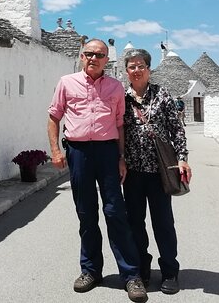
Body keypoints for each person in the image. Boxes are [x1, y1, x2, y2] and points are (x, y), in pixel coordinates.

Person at [48, 39, 148, 303]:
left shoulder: (115, 87)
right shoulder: (66, 83)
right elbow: (54, 116)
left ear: (107, 59)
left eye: (99, 55)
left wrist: (122, 157)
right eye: (89, 54)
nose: (94, 58)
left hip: (107, 152)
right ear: (82, 56)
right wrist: (56, 151)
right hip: (78, 152)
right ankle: (91, 271)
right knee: (86, 213)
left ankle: (131, 275)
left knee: (116, 212)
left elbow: (120, 125)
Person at [122, 48, 192, 295]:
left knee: (163, 222)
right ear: (127, 71)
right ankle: (142, 265)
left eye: (141, 65)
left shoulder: (162, 95)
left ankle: (170, 270)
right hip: (132, 172)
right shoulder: (122, 98)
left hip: (159, 170)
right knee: (135, 223)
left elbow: (177, 129)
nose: (137, 70)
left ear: (148, 69)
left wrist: (182, 158)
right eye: (132, 66)